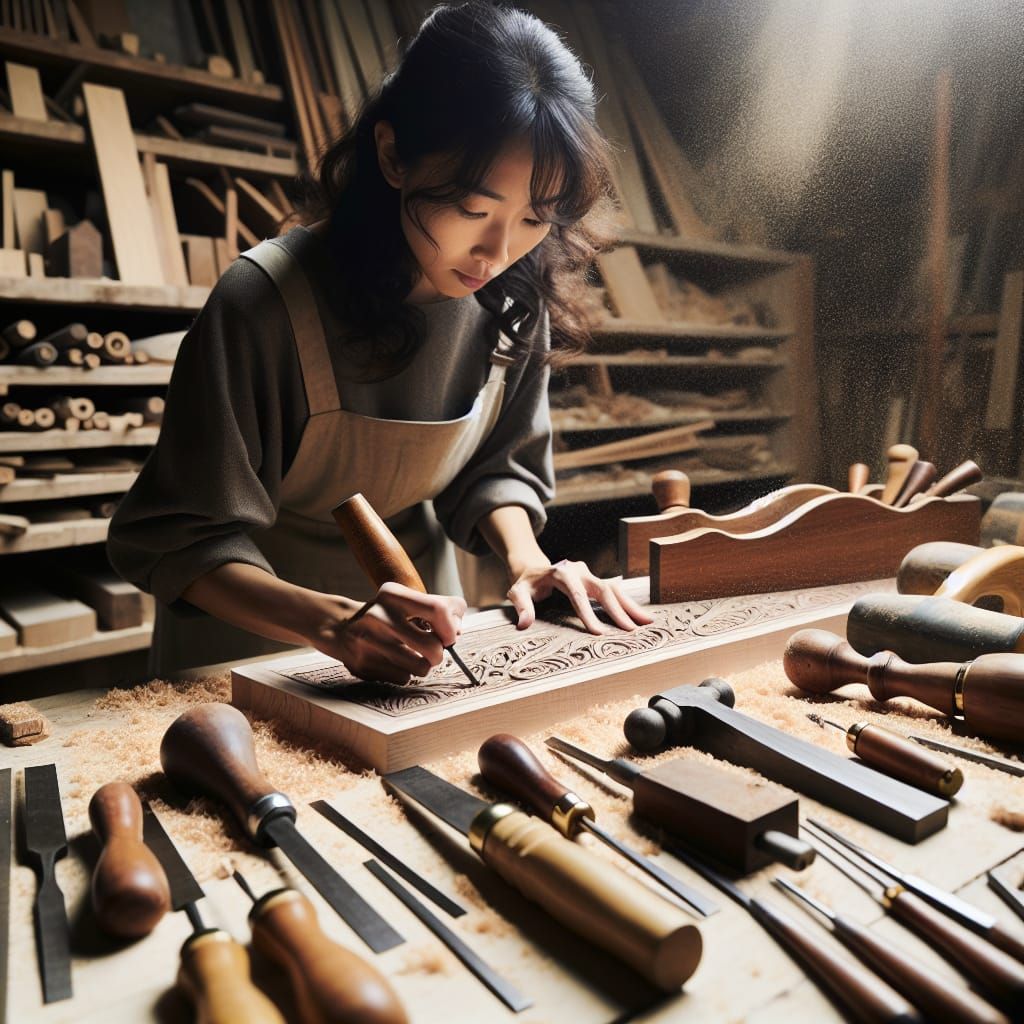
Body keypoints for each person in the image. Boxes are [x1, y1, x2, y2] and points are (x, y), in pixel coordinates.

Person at [108, 1, 653, 682]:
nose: (497, 250)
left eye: (535, 218)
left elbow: (498, 468)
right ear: (394, 154)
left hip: (421, 637)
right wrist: (330, 625)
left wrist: (528, 563)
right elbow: (174, 537)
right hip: (249, 646)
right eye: (471, 209)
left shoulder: (510, 295)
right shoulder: (263, 303)